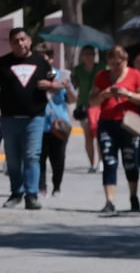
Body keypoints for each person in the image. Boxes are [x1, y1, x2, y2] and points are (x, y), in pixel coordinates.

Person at [0, 27, 60, 210]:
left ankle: (31, 195)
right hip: (9, 118)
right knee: (12, 159)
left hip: (35, 117)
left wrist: (50, 84)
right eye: (16, 41)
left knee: (32, 156)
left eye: (23, 39)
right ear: (10, 44)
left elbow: (56, 84)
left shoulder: (41, 62)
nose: (20, 43)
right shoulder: (3, 64)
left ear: (29, 41)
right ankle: (16, 193)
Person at [89, 45, 140, 214]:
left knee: (130, 162)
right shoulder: (102, 76)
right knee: (109, 161)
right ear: (108, 62)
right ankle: (109, 201)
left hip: (129, 124)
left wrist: (127, 94)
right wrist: (103, 95)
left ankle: (133, 196)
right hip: (107, 123)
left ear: (125, 60)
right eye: (113, 63)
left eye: (119, 63)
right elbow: (92, 101)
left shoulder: (135, 75)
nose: (116, 67)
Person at [34, 43, 77, 197]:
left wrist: (67, 87)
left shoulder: (62, 75)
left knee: (58, 158)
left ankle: (57, 186)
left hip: (59, 123)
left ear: (51, 59)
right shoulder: (34, 75)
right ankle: (41, 186)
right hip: (39, 122)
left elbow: (72, 100)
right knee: (39, 158)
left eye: (44, 57)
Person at [71, 45, 106, 173]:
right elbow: (74, 86)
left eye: (91, 54)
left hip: (98, 105)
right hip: (83, 106)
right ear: (82, 56)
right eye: (86, 54)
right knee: (88, 136)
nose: (88, 57)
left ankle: (101, 161)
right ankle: (92, 163)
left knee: (99, 134)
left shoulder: (101, 67)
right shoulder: (78, 70)